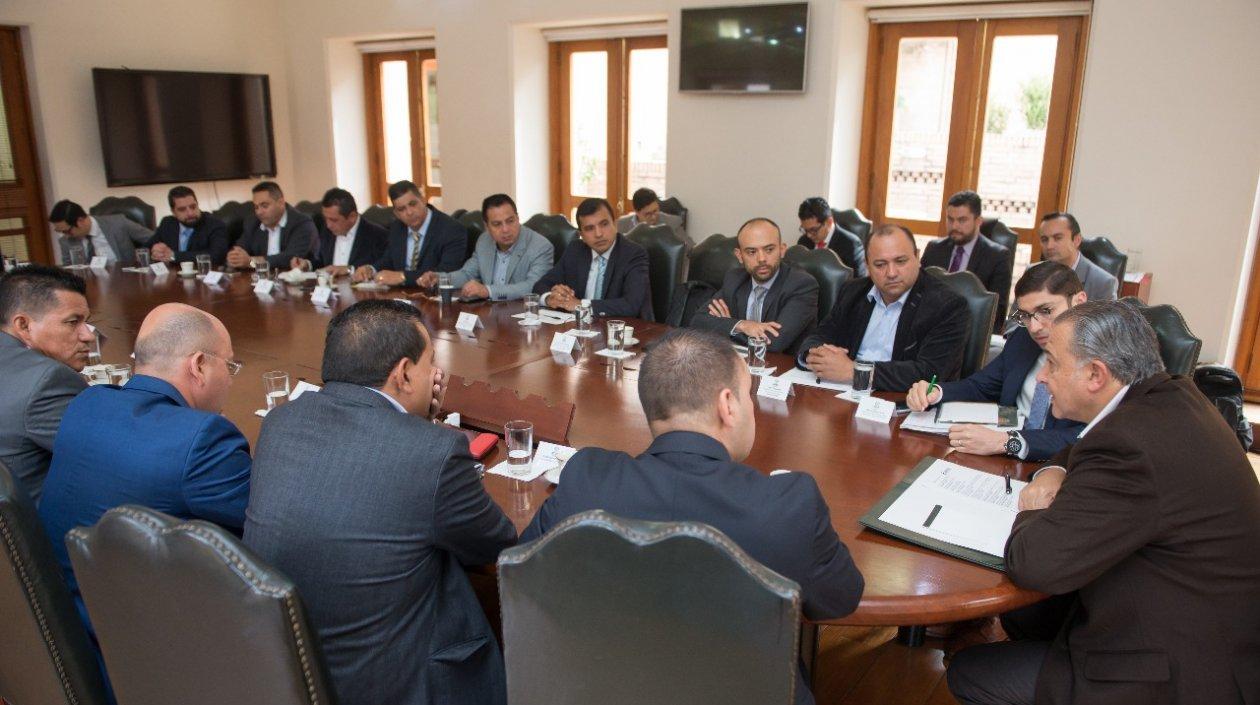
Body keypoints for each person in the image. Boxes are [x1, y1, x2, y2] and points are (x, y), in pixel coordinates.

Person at [522, 328, 864, 705]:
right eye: (749, 396)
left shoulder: (586, 479)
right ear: (728, 405)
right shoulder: (788, 504)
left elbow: (523, 571)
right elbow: (840, 598)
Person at [948, 300, 1260, 705]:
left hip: (1179, 670)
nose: (1042, 378)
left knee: (970, 672)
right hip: (1209, 625)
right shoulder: (1169, 396)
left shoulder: (1129, 444)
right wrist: (1051, 471)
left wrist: (1033, 507)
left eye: (1053, 364)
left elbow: (1034, 564)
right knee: (1027, 615)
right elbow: (1084, 445)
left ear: (1095, 374)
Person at [244, 300, 517, 705]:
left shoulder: (281, 422)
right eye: (430, 362)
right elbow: (496, 543)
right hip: (395, 681)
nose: (436, 373)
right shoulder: (434, 453)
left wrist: (414, 425)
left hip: (290, 673)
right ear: (403, 374)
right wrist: (425, 432)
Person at [38, 303, 251, 657]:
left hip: (65, 625)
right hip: (145, 651)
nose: (230, 379)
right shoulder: (203, 439)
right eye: (229, 366)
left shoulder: (86, 403)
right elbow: (265, 523)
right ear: (199, 365)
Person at [905, 262, 1087, 460]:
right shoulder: (1023, 339)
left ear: (1079, 302)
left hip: (1059, 464)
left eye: (1046, 311)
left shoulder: (1102, 356)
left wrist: (1007, 441)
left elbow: (1090, 436)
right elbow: (980, 386)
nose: (1034, 327)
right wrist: (936, 392)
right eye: (1026, 316)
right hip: (1001, 454)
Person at [796, 224, 970, 391]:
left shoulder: (947, 306)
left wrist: (855, 371)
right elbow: (819, 335)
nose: (891, 273)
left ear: (917, 257)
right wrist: (814, 356)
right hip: (843, 393)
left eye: (900, 261)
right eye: (880, 264)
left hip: (903, 400)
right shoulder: (852, 292)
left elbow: (930, 373)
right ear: (867, 266)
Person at [0, 265, 91, 501]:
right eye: (73, 322)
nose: (88, 335)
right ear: (23, 325)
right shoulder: (49, 380)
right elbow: (111, 458)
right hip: (42, 519)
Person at [689, 217, 819, 354]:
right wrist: (741, 325)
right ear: (739, 256)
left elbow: (774, 343)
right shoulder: (735, 279)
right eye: (752, 252)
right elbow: (698, 321)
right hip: (737, 362)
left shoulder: (802, 285)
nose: (761, 259)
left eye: (769, 249)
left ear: (782, 250)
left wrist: (726, 326)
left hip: (780, 364)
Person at [532, 197, 652, 319]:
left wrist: (580, 305)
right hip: (580, 326)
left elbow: (631, 305)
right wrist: (550, 298)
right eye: (589, 228)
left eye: (604, 224)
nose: (598, 234)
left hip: (624, 327)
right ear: (581, 235)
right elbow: (540, 285)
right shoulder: (575, 250)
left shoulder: (633, 254)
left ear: (615, 224)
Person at [419, 193, 553, 300]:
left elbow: (533, 286)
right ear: (487, 226)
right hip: (489, 312)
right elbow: (468, 274)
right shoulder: (484, 241)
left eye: (510, 221)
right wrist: (440, 279)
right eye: (497, 224)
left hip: (521, 314)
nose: (505, 229)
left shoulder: (540, 246)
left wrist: (488, 291)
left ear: (518, 218)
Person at [921, 191, 1013, 332]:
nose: (954, 226)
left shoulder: (997, 256)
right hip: (931, 326)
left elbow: (997, 312)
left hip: (971, 330)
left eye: (962, 220)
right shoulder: (934, 248)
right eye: (950, 219)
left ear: (978, 221)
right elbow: (919, 293)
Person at [353, 180, 466, 287]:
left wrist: (403, 277)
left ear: (423, 200)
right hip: (401, 295)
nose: (409, 212)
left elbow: (447, 272)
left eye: (413, 204)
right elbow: (389, 259)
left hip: (434, 295)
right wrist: (371, 269)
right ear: (396, 213)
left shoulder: (451, 229)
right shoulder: (397, 228)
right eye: (402, 209)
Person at [291, 187, 388, 276]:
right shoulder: (326, 230)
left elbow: (382, 266)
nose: (328, 225)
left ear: (352, 217)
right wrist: (307, 264)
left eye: (333, 220)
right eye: (326, 218)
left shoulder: (378, 236)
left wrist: (350, 269)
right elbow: (321, 260)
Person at [225, 181, 318, 271]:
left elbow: (289, 258)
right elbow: (239, 249)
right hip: (260, 279)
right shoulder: (253, 223)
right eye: (256, 207)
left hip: (293, 278)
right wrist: (234, 258)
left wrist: (251, 262)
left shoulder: (302, 223)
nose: (259, 212)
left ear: (281, 203)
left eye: (264, 206)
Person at [1038, 211, 1118, 301]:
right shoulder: (1032, 273)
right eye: (1044, 239)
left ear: (1077, 240)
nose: (1049, 246)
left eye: (1058, 238)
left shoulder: (1103, 283)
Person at [145, 186, 231, 267]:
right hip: (173, 275)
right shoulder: (167, 223)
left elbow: (217, 255)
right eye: (182, 209)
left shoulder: (214, 224)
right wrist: (156, 251)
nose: (190, 213)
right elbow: (146, 248)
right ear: (173, 212)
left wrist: (174, 256)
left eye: (193, 207)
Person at [49, 199, 153, 266]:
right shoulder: (66, 241)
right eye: (60, 231)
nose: (65, 235)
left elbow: (153, 238)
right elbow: (68, 269)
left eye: (67, 231)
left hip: (125, 281)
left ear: (80, 221)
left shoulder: (118, 223)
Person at [796, 196, 867, 277]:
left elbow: (857, 280)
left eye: (814, 230)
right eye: (805, 230)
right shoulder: (803, 242)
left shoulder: (851, 244)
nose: (809, 235)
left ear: (829, 222)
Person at [615, 187, 690, 247]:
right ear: (637, 212)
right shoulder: (622, 224)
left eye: (655, 211)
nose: (653, 217)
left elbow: (689, 248)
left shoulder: (672, 223)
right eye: (648, 214)